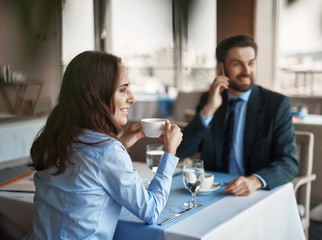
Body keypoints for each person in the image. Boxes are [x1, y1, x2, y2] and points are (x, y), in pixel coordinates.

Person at [26, 51, 183, 239]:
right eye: (123, 90)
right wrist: (170, 152)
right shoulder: (108, 151)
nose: (132, 98)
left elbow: (88, 167)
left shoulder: (54, 137)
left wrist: (122, 142)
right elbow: (152, 210)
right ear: (95, 95)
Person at [177, 35, 298, 196]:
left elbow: (288, 162)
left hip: (257, 193)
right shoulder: (210, 99)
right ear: (221, 68)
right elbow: (182, 150)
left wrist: (255, 181)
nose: (246, 71)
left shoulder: (276, 104)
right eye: (237, 64)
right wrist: (209, 109)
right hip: (216, 192)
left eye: (251, 63)